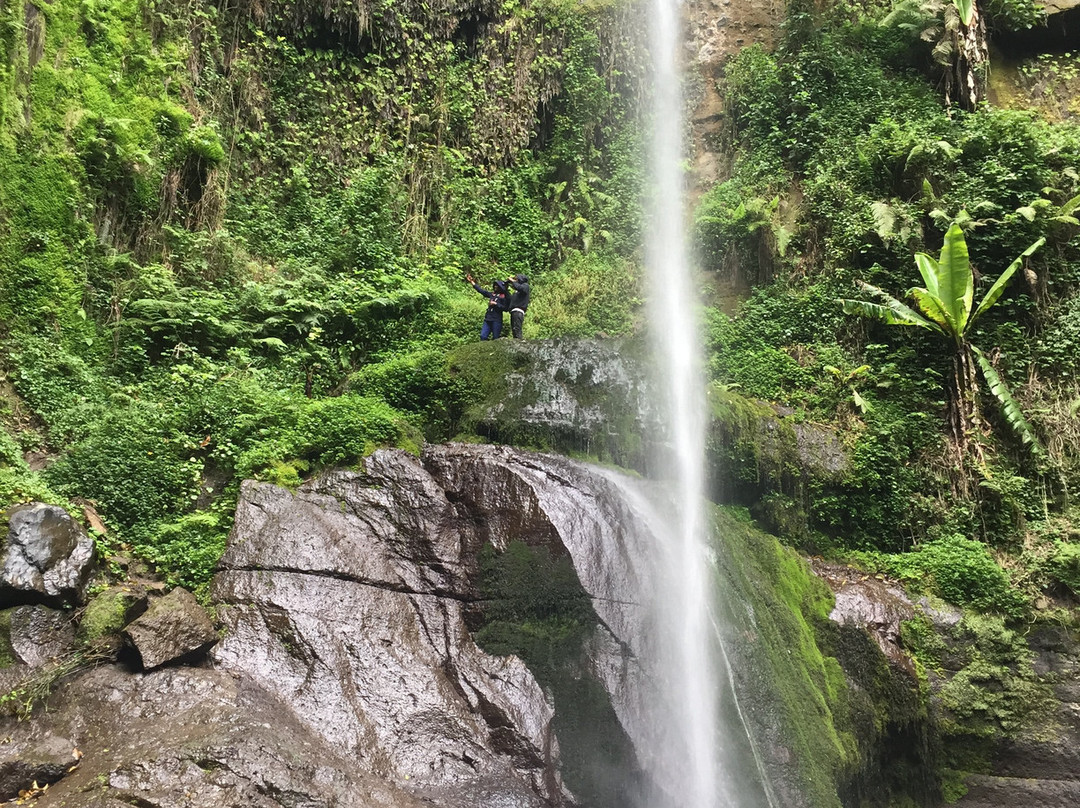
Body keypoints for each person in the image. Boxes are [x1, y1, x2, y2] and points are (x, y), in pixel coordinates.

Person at [465, 273, 509, 340]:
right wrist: (471, 282)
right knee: (483, 336)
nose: (495, 287)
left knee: (495, 338)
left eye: (497, 286)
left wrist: (495, 304)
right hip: (488, 318)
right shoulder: (492, 294)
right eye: (495, 285)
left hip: (496, 319)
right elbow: (482, 291)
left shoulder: (503, 296)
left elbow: (506, 308)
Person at [506, 273, 530, 339]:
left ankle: (520, 344)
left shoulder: (525, 286)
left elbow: (520, 287)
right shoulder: (517, 292)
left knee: (517, 330)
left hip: (518, 312)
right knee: (514, 330)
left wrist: (512, 281)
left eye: (516, 279)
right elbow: (509, 299)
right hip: (514, 312)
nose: (515, 280)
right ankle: (517, 343)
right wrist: (506, 288)